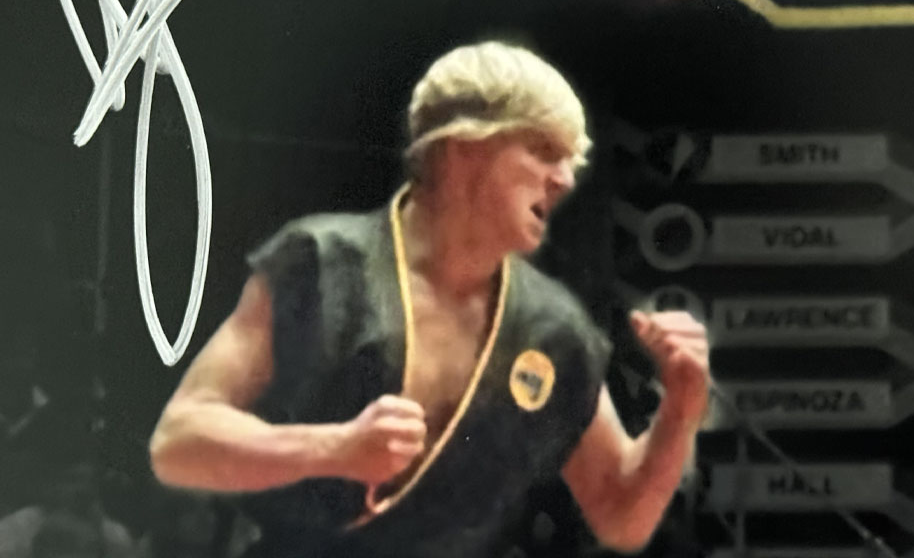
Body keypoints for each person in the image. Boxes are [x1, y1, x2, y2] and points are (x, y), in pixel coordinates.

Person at [149, 42, 710, 557]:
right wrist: (333, 448)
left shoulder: (554, 328)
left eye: (569, 162)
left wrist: (680, 411)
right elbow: (179, 441)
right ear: (463, 147)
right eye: (543, 150)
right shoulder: (320, 266)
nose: (564, 179)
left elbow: (621, 518)